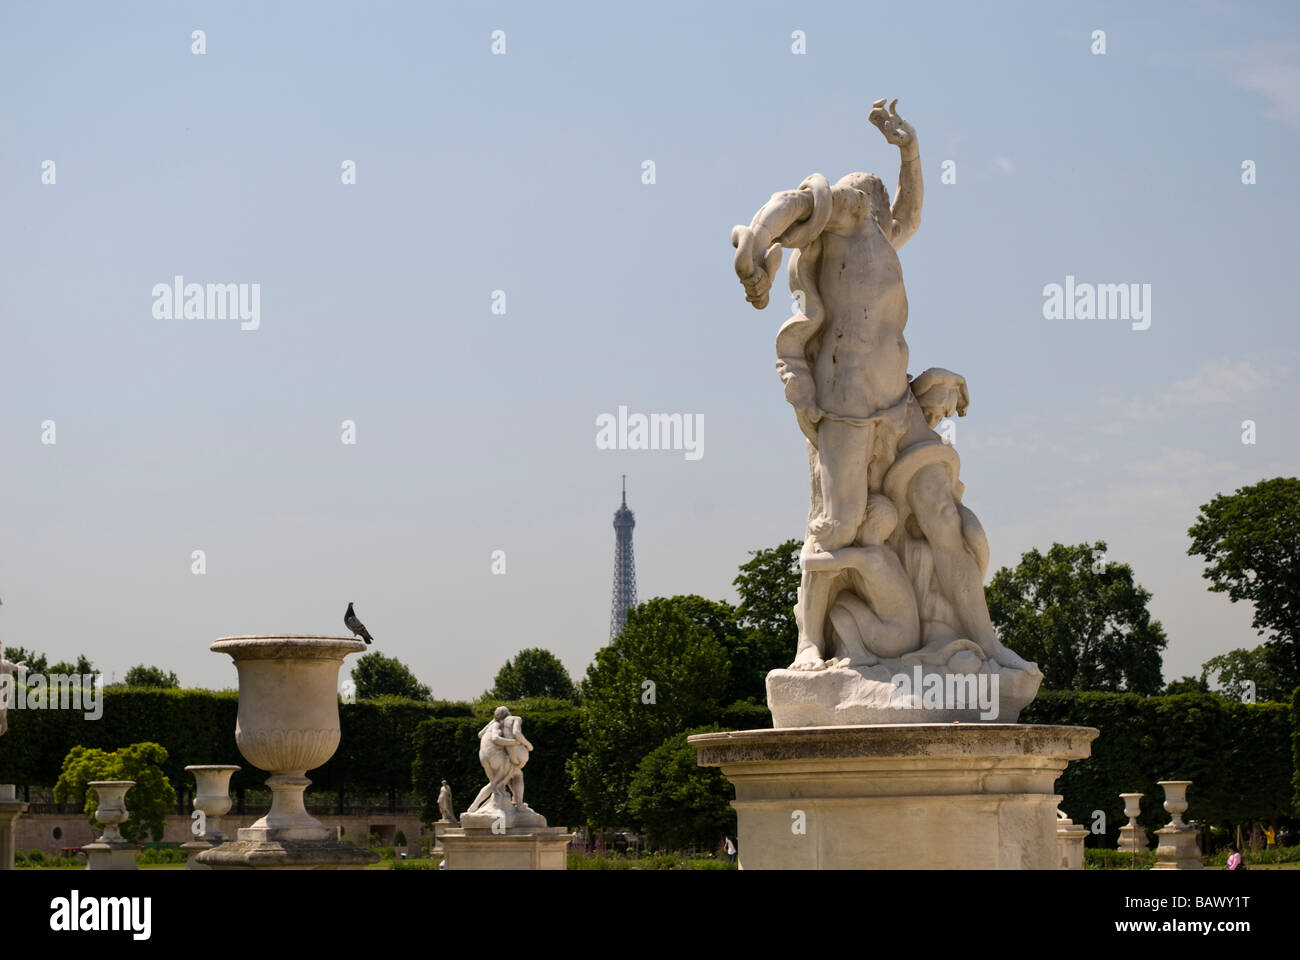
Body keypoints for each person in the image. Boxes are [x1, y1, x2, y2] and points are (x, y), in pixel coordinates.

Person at [731, 99, 1037, 677]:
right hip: (847, 411)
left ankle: (988, 645)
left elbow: (912, 213)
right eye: (880, 202)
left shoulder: (881, 236)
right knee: (835, 529)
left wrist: (910, 149)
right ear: (863, 199)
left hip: (898, 407)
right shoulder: (847, 214)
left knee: (940, 515)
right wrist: (759, 246)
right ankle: (808, 643)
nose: (888, 214)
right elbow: (794, 202)